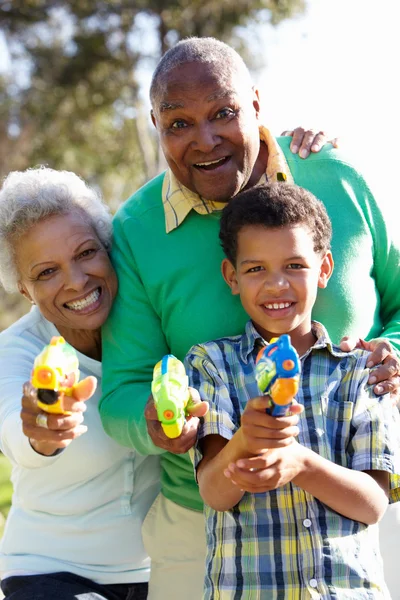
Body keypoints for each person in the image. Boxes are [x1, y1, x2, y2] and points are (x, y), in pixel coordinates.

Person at [100, 37, 400, 599]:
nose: (205, 139)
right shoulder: (136, 232)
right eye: (178, 123)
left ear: (257, 106)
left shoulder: (333, 174)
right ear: (154, 126)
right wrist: (161, 425)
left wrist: (396, 353)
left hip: (361, 517)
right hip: (211, 531)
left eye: (224, 113)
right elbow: (120, 393)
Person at [185, 181, 400, 598]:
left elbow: (373, 503)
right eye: (255, 269)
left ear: (323, 269)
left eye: (295, 266)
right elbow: (214, 491)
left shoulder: (361, 371)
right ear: (232, 276)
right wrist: (245, 441)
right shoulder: (214, 365)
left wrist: (300, 463)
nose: (276, 284)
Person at [0, 167, 160, 600]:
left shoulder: (151, 323)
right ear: (24, 289)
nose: (76, 281)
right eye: (46, 272)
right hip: (47, 574)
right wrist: (42, 430)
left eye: (86, 253)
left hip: (160, 574)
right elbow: (15, 430)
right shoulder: (15, 352)